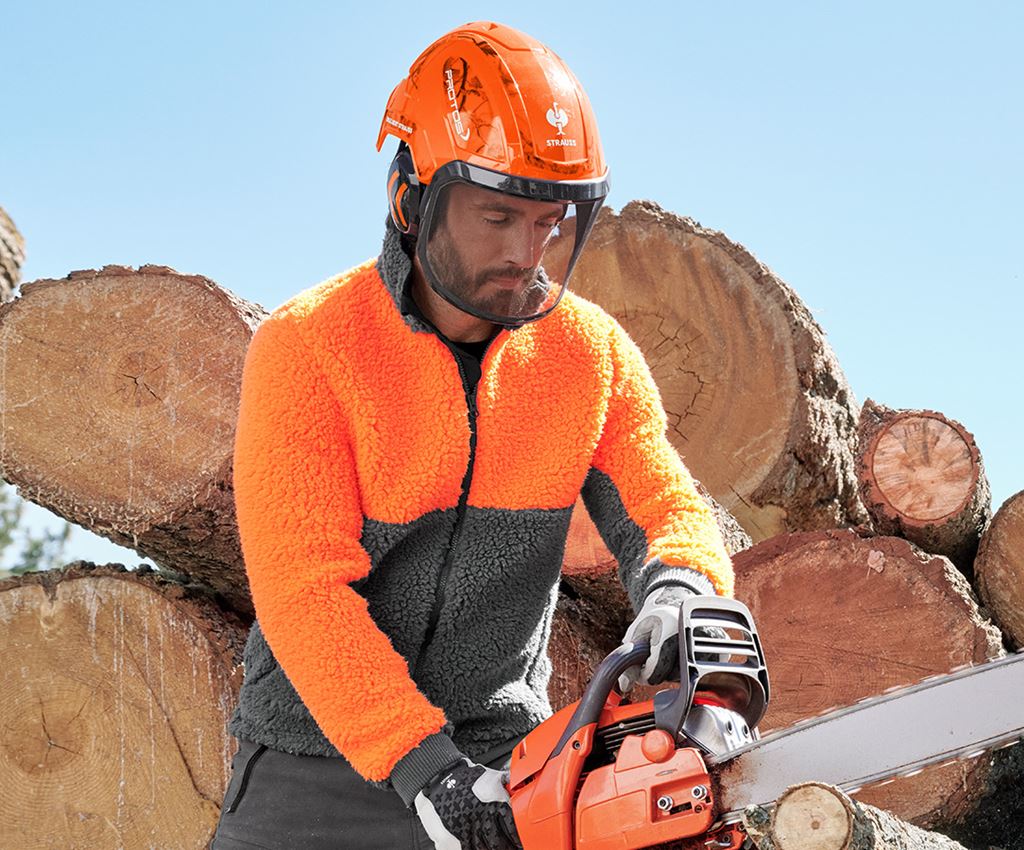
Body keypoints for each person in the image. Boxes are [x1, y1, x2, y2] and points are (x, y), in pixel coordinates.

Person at [211, 20, 737, 850]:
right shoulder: (310, 344)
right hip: (312, 768)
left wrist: (683, 592)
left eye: (549, 223)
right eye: (498, 217)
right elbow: (304, 591)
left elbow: (663, 500)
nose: (527, 251)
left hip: (503, 755)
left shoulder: (590, 354)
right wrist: (423, 768)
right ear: (412, 196)